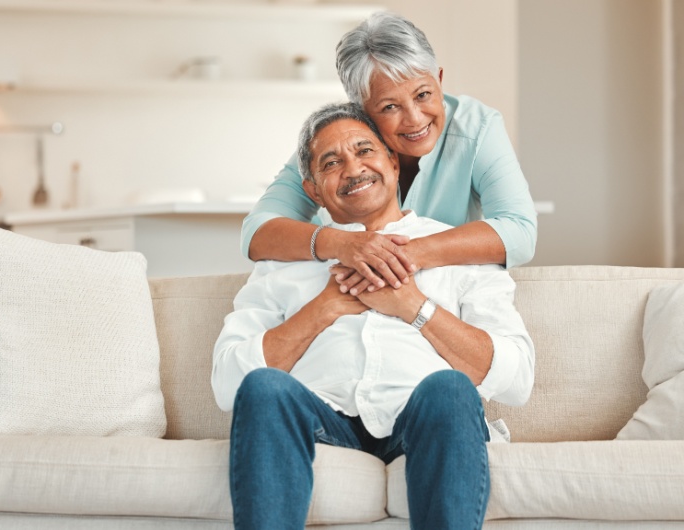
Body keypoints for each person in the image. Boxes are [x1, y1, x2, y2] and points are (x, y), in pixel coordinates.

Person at [213, 102, 535, 530]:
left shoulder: (459, 251)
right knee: (264, 387)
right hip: (320, 419)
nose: (353, 168)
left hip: (421, 417)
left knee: (450, 389)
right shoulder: (282, 262)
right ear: (312, 190)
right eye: (332, 162)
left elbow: (517, 381)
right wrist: (323, 308)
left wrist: (415, 308)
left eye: (365, 151)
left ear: (393, 163)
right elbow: (228, 385)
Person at [241, 12, 537, 297]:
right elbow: (256, 232)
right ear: (359, 109)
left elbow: (520, 232)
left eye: (423, 95)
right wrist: (343, 245)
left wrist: (402, 255)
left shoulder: (479, 127)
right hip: (345, 290)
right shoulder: (336, 138)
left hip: (440, 295)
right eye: (389, 107)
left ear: (439, 79)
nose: (415, 119)